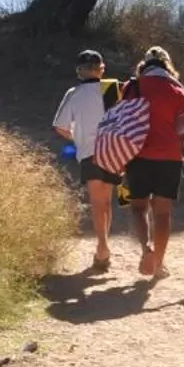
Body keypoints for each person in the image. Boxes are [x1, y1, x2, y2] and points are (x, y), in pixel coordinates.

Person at [122, 46, 184, 281]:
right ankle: (159, 264)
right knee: (163, 214)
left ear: (144, 65)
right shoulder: (177, 90)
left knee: (138, 208)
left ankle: (146, 248)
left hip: (138, 155)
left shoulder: (132, 87)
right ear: (168, 65)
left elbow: (121, 122)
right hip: (169, 158)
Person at [52, 50, 128, 272]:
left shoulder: (74, 93)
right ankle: (104, 247)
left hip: (89, 153)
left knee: (97, 202)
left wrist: (78, 138)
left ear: (79, 70)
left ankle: (102, 248)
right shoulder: (114, 88)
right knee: (107, 200)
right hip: (113, 151)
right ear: (101, 69)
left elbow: (60, 126)